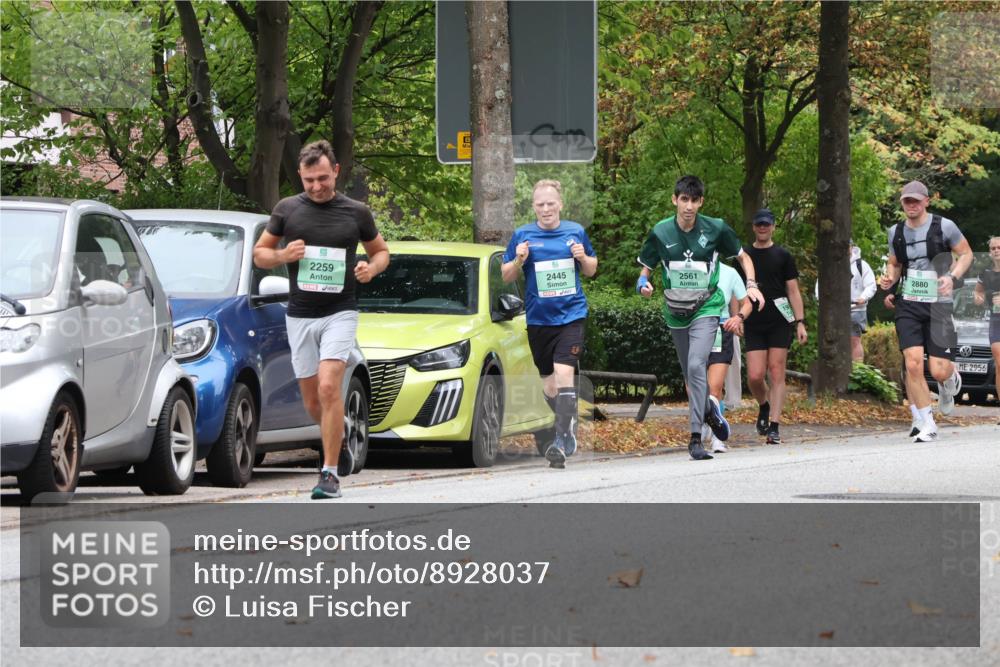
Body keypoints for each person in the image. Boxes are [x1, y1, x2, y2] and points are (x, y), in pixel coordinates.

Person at [253, 140, 390, 499]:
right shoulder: (286, 209)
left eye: (323, 178)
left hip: (340, 312)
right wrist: (283, 253)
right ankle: (337, 439)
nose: (316, 186)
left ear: (336, 172)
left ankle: (328, 473)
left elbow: (381, 252)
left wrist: (370, 269)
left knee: (330, 387)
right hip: (299, 316)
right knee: (313, 402)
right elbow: (260, 255)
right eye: (309, 179)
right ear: (300, 174)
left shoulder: (356, 212)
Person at [637, 175, 764, 461]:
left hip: (707, 309)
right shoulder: (660, 232)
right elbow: (645, 269)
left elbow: (744, 258)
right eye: (684, 199)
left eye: (694, 201)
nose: (689, 206)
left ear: (701, 202)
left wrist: (752, 284)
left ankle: (696, 438)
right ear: (675, 200)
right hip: (675, 312)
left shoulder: (716, 228)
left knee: (697, 364)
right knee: (690, 373)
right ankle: (710, 411)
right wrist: (642, 284)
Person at [503, 179, 597, 469]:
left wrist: (582, 257)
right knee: (550, 387)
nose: (546, 209)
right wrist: (519, 260)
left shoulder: (575, 231)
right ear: (533, 207)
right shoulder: (523, 235)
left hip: (571, 316)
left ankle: (561, 439)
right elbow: (506, 275)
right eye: (540, 204)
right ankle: (567, 425)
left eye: (550, 203)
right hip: (539, 321)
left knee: (564, 373)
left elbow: (592, 270)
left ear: (560, 204)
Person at [878, 180, 973, 442]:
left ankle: (949, 377)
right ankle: (927, 422)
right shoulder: (895, 231)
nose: (911, 205)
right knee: (913, 364)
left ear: (926, 201)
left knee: (938, 370)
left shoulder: (944, 226)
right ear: (902, 203)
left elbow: (966, 254)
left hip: (938, 304)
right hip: (908, 302)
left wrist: (952, 277)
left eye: (916, 201)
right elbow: (896, 263)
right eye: (907, 201)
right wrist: (889, 279)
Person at [739, 208, 808, 446]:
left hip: (780, 320)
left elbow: (793, 290)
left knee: (776, 371)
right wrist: (736, 317)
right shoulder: (745, 256)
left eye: (766, 225)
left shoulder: (783, 255)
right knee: (755, 376)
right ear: (754, 227)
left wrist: (800, 322)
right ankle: (764, 405)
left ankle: (775, 426)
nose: (762, 228)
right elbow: (738, 292)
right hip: (754, 321)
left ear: (773, 226)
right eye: (759, 224)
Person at [702, 262, 752, 453]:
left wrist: (737, 318)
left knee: (715, 388)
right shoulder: (688, 268)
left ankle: (717, 436)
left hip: (720, 329)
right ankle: (702, 425)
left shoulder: (729, 272)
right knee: (695, 389)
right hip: (693, 330)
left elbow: (746, 301)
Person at [817, 240, 877, 362]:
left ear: (851, 247)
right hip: (834, 311)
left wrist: (863, 297)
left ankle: (857, 371)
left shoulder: (861, 265)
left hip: (855, 310)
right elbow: (820, 285)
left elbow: (871, 285)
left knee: (854, 341)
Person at [973, 236, 1000, 423]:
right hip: (996, 320)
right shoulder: (986, 273)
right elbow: (978, 292)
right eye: (993, 248)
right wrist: (979, 299)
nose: (997, 250)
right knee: (999, 362)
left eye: (999, 247)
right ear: (990, 252)